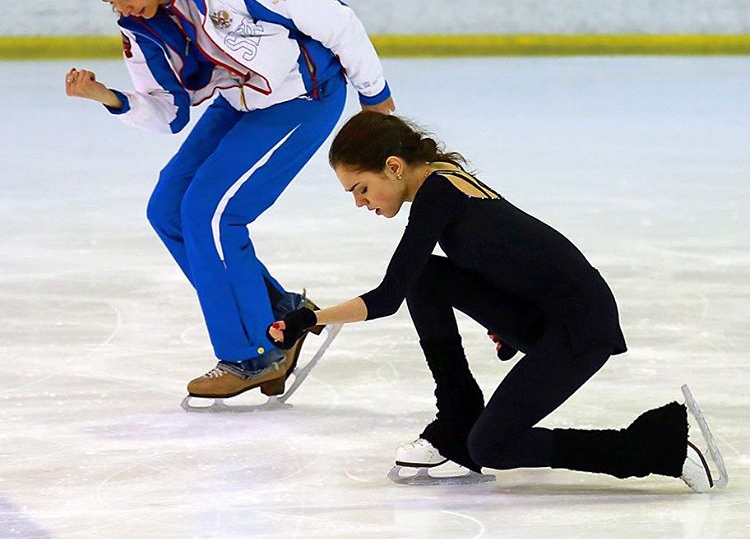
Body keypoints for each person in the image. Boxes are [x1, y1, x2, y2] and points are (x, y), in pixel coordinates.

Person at [268, 111, 725, 492]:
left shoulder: (437, 194)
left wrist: (313, 317)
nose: (360, 203)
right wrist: (504, 320)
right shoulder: (442, 182)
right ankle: (457, 418)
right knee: (426, 277)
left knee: (492, 447)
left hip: (579, 326)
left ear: (393, 166)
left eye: (361, 189)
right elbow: (508, 257)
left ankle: (655, 448)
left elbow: (387, 297)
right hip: (542, 313)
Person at [67, 0, 394, 401]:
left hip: (304, 95)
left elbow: (338, 22)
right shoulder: (139, 28)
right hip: (240, 101)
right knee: (168, 209)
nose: (124, 8)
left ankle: (253, 353)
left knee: (213, 214)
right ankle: (280, 311)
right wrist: (108, 96)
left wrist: (376, 100)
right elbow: (168, 113)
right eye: (111, 3)